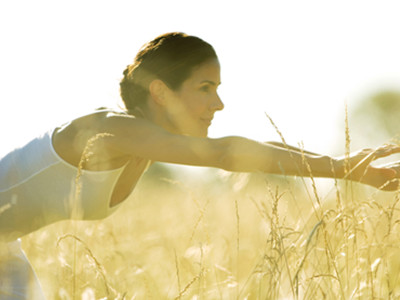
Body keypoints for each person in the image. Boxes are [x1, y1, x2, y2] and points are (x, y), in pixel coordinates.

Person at [1, 32, 399, 299]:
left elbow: (252, 147)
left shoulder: (146, 142)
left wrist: (343, 164)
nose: (218, 104)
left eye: (218, 90)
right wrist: (341, 168)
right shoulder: (113, 130)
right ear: (160, 91)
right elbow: (227, 153)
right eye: (205, 88)